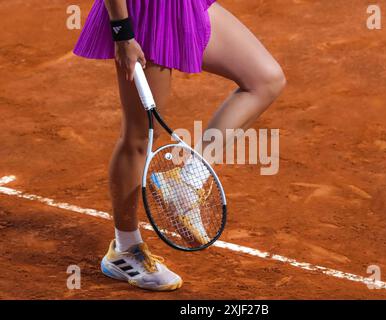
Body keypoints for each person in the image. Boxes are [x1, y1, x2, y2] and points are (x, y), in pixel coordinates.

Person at [73, 0, 285, 291]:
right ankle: (125, 249)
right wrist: (123, 33)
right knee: (140, 135)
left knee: (265, 79)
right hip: (145, 14)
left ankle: (187, 180)